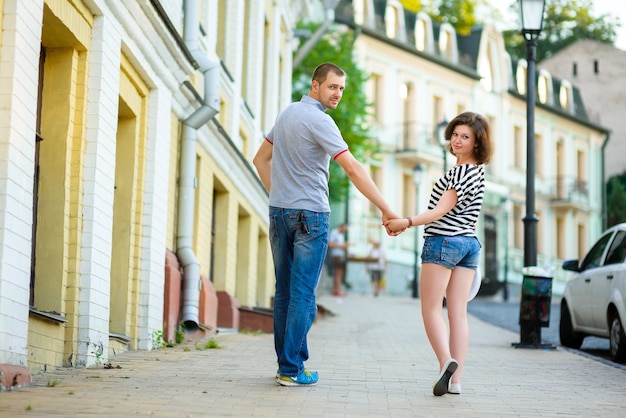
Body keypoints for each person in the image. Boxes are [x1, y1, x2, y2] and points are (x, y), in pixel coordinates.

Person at [253, 62, 400, 387]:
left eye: (342, 89)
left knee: (285, 293)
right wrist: (387, 209)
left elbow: (260, 159)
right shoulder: (321, 121)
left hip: (280, 212)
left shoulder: (287, 113)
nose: (338, 94)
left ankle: (288, 366)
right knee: (303, 294)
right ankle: (291, 369)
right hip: (311, 217)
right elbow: (353, 168)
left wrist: (280, 193)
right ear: (315, 85)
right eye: (333, 87)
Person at [385, 111, 493, 396]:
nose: (457, 140)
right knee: (458, 313)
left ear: (477, 142)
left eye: (465, 137)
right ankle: (456, 382)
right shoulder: (480, 173)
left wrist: (405, 222)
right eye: (455, 134)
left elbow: (439, 211)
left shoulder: (458, 172)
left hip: (443, 242)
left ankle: (447, 362)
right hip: (469, 245)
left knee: (431, 309)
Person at [328, 224, 348, 296]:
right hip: (336, 256)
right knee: (338, 273)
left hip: (339, 255)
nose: (345, 231)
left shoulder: (340, 235)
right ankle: (337, 290)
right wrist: (341, 246)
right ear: (341, 227)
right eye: (345, 229)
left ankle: (336, 289)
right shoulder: (334, 233)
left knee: (338, 273)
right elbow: (330, 244)